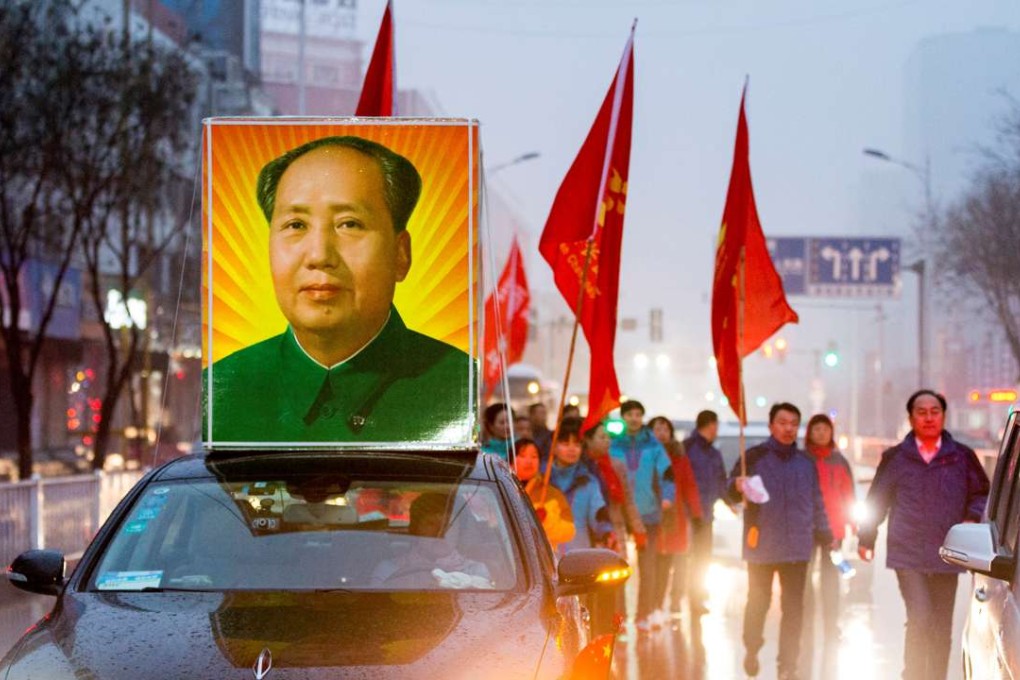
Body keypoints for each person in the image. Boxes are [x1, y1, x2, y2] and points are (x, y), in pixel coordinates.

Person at [205, 135, 472, 443]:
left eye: (349, 224)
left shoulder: (460, 387)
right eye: (296, 225)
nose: (319, 255)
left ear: (401, 254)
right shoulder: (221, 390)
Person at [858, 390, 990, 680]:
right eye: (922, 412)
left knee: (941, 626)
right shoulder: (896, 458)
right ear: (911, 418)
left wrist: (970, 518)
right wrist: (866, 538)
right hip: (909, 554)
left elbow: (981, 493)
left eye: (935, 411)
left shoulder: (962, 457)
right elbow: (877, 500)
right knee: (919, 618)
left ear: (943, 416)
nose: (928, 417)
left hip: (949, 552)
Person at [727, 402, 832, 680]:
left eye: (793, 423)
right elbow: (729, 492)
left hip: (798, 547)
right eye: (782, 422)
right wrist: (736, 487)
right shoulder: (753, 457)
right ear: (771, 425)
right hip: (761, 544)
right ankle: (752, 646)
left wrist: (825, 531)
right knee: (758, 602)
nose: (788, 428)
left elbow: (817, 500)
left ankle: (787, 666)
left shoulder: (806, 462)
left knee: (794, 610)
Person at [609, 399, 676, 633]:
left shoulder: (654, 446)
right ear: (623, 417)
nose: (634, 418)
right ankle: (619, 618)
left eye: (638, 414)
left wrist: (668, 497)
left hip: (648, 513)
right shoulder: (612, 444)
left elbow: (668, 475)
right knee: (616, 568)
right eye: (630, 414)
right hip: (620, 514)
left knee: (648, 568)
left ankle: (643, 615)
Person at [800, 413, 856, 671]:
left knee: (830, 578)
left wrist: (853, 525)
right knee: (805, 576)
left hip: (834, 529)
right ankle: (806, 620)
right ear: (810, 432)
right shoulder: (802, 460)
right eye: (817, 429)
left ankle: (831, 622)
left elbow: (848, 495)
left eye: (825, 429)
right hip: (806, 528)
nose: (821, 434)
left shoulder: (839, 461)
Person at [583, 421, 646, 620]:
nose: (607, 441)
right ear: (587, 440)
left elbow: (627, 500)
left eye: (608, 437)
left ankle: (617, 624)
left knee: (615, 577)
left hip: (615, 529)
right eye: (601, 437)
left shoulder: (617, 466)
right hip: (589, 531)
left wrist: (638, 528)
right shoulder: (583, 468)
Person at [371, 492, 491, 589]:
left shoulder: (477, 572)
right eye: (431, 524)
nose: (440, 532)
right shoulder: (388, 570)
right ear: (416, 529)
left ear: (460, 531)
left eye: (449, 525)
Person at [648, 416, 703, 620]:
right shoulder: (645, 455)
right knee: (649, 564)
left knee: (667, 563)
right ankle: (649, 606)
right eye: (657, 428)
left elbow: (689, 486)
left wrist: (696, 513)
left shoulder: (680, 457)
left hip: (674, 517)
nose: (661, 433)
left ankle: (661, 605)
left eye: (665, 429)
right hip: (650, 515)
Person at [683, 409, 728, 615]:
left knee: (703, 558)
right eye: (716, 425)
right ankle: (685, 598)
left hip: (706, 514)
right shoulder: (688, 449)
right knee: (688, 558)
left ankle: (697, 597)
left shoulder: (713, 453)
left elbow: (720, 482)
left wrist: (731, 501)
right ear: (710, 425)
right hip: (688, 515)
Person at [549, 417, 615, 555]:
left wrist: (606, 533)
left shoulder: (588, 481)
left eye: (577, 444)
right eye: (565, 444)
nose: (572, 449)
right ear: (554, 447)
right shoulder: (542, 481)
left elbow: (598, 514)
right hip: (545, 557)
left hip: (579, 555)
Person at [513, 438, 575, 552]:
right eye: (522, 456)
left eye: (534, 457)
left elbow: (569, 531)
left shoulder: (553, 494)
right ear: (511, 461)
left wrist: (546, 520)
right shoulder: (499, 490)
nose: (529, 461)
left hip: (542, 559)